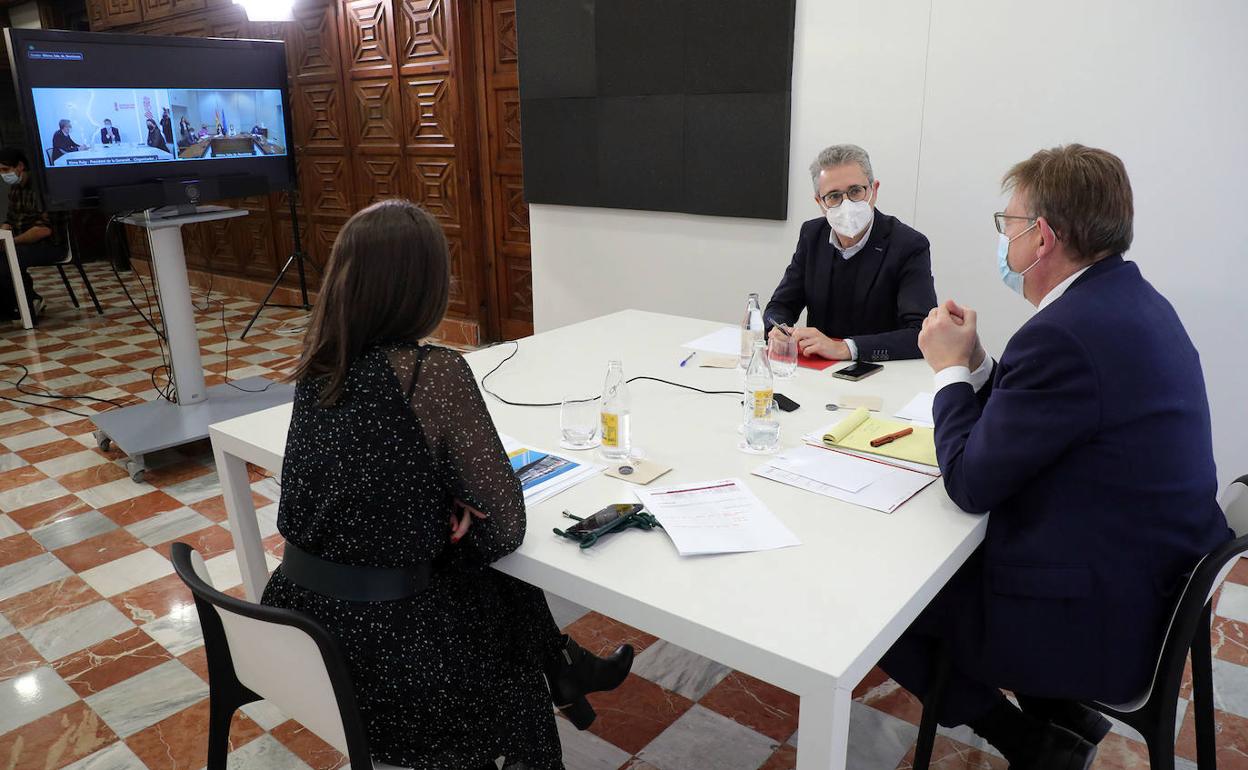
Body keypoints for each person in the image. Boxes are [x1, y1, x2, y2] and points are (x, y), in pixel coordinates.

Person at [879, 144, 1232, 768]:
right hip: (1152, 579)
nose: (1002, 239)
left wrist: (948, 373)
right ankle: (1060, 714)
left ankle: (1030, 741)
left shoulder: (1066, 332)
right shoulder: (1124, 300)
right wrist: (980, 362)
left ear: (1041, 238)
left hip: (1108, 617)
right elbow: (1039, 412)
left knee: (885, 601)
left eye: (1006, 225)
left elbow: (968, 481)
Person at [261, 199, 633, 770]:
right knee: (486, 573)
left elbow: (361, 485)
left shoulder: (320, 365)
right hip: (390, 651)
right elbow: (506, 527)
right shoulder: (429, 373)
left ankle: (563, 663)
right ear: (424, 286)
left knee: (470, 564)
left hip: (301, 619)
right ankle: (557, 670)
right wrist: (459, 500)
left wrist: (439, 496)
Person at [764, 144, 936, 362]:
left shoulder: (909, 245)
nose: (846, 204)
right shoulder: (812, 235)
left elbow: (921, 333)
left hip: (884, 374)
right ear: (819, 202)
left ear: (874, 190)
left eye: (855, 191)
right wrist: (777, 329)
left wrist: (847, 348)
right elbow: (779, 306)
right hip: (818, 372)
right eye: (834, 196)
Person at [0, 147, 67, 321]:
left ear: (20, 166)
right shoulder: (15, 189)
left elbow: (44, 230)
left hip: (50, 244)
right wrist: (4, 234)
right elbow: (10, 219)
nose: (3, 175)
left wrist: (12, 242)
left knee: (10, 260)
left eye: (5, 170)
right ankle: (10, 308)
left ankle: (30, 302)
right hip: (22, 242)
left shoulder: (42, 188)